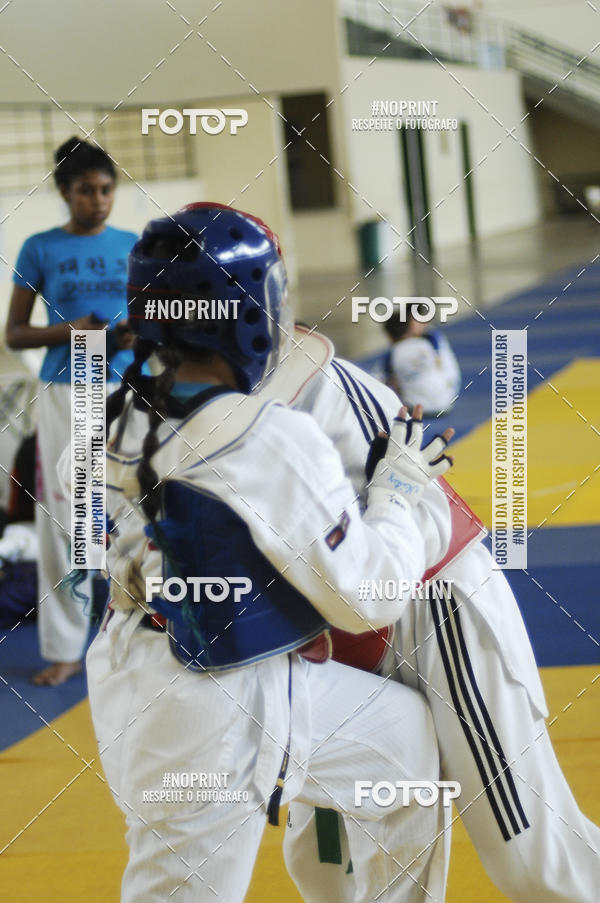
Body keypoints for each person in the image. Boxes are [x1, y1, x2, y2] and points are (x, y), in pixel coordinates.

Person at [76, 204, 456, 902]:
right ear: (250, 310)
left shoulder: (121, 407)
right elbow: (368, 593)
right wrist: (397, 490)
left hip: (153, 668)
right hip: (207, 710)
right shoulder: (271, 439)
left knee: (405, 749)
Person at [263, 324, 600, 903]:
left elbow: (396, 553)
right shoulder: (156, 415)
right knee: (326, 866)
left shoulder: (327, 393)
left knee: (532, 857)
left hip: (432, 606)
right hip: (325, 640)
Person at [5, 136, 136, 685]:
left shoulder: (134, 243)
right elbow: (14, 334)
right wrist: (68, 332)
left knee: (139, 510)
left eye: (106, 189)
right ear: (64, 192)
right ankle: (65, 646)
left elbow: (156, 315)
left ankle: (152, 632)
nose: (98, 200)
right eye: (85, 191)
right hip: (68, 389)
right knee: (70, 520)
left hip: (132, 388)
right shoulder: (39, 248)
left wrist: (129, 333)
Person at [380, 300, 461, 417]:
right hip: (447, 402)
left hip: (419, 409)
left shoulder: (393, 353)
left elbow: (382, 381)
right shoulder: (428, 342)